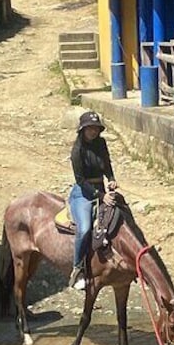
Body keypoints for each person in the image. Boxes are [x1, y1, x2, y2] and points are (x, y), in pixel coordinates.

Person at [68, 111, 117, 291]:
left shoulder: (101, 144)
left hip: (102, 188)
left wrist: (111, 178)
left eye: (96, 128)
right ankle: (78, 268)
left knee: (120, 217)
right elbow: (80, 180)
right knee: (85, 228)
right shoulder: (77, 151)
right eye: (90, 129)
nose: (93, 132)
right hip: (83, 193)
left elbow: (107, 163)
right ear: (83, 130)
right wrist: (101, 196)